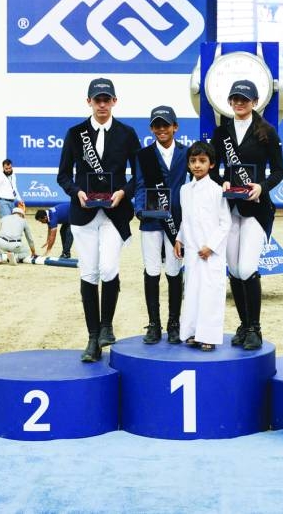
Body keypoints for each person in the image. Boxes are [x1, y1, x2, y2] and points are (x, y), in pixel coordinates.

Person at [57, 77, 140, 363]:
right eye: (97, 99)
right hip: (84, 213)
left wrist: (123, 192)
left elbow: (139, 176)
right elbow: (63, 175)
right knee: (88, 272)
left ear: (114, 101)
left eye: (107, 99)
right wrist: (76, 191)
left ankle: (108, 326)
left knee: (108, 268)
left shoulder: (127, 134)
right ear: (89, 101)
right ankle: (93, 337)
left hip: (115, 213)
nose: (102, 104)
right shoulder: (75, 133)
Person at [208, 79, 283, 350]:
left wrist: (261, 187)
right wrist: (222, 183)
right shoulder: (221, 133)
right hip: (229, 208)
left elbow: (278, 172)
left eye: (245, 99)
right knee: (234, 270)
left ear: (254, 102)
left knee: (247, 268)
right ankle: (243, 324)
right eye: (235, 98)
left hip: (256, 208)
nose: (240, 103)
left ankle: (255, 328)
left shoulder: (267, 132)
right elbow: (213, 170)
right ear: (229, 101)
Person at [133, 105, 189, 344]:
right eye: (157, 125)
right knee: (152, 270)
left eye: (165, 125)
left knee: (174, 271)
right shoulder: (144, 155)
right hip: (151, 220)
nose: (161, 129)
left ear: (175, 127)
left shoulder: (186, 153)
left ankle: (174, 323)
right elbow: (139, 184)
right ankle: (154, 324)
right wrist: (139, 210)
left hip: (177, 220)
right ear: (151, 128)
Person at [174, 141, 230, 352]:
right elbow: (185, 219)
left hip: (211, 253)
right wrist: (179, 238)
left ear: (212, 164)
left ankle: (209, 335)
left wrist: (211, 246)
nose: (197, 165)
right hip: (191, 251)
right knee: (192, 290)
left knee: (211, 292)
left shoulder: (217, 191)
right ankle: (192, 332)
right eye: (193, 161)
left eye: (202, 161)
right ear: (188, 164)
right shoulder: (184, 190)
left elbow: (226, 223)